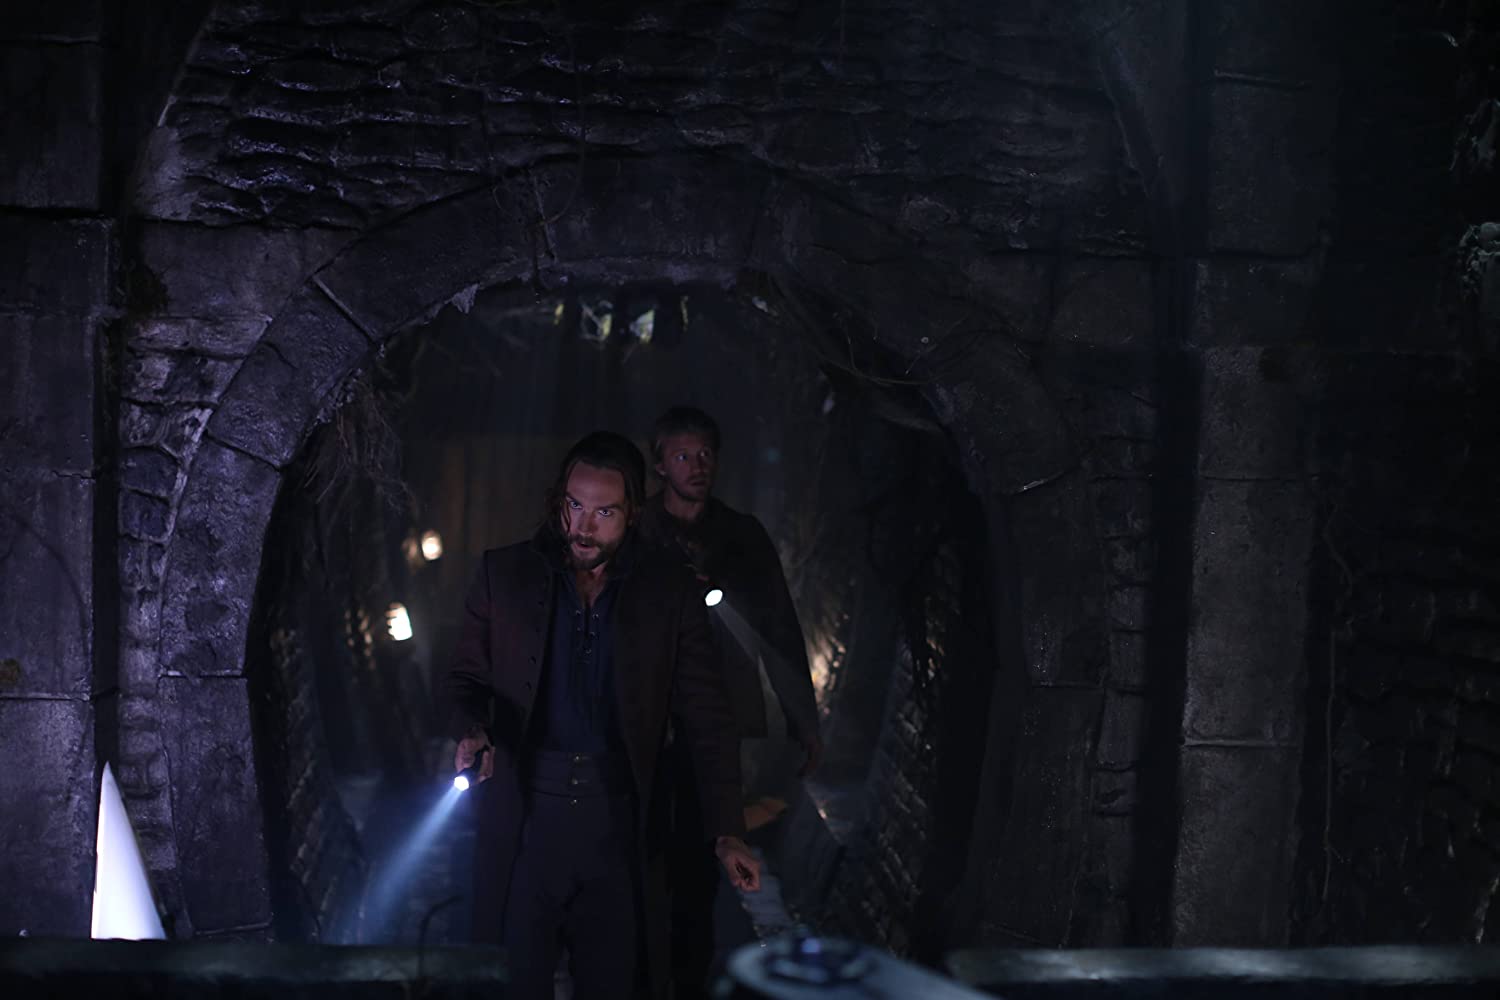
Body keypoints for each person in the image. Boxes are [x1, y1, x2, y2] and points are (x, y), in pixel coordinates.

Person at [445, 431, 761, 1000]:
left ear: (632, 512)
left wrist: (728, 831)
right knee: (511, 984)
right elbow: (465, 678)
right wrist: (473, 729)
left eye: (604, 512)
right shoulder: (505, 574)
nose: (583, 527)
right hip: (527, 821)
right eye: (574, 505)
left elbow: (707, 717)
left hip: (619, 825)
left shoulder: (668, 590)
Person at [637, 406, 822, 1000]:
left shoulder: (742, 536)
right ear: (660, 464)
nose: (697, 466)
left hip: (716, 725)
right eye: (683, 456)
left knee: (704, 858)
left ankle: (689, 980)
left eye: (705, 455)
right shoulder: (638, 531)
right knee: (642, 857)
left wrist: (803, 722)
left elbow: (779, 629)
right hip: (645, 721)